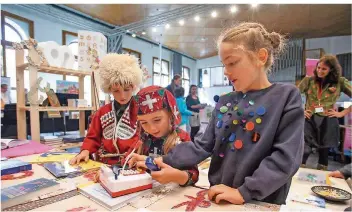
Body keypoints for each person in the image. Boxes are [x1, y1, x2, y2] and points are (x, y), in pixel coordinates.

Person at [146, 22, 304, 205]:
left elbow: (286, 157)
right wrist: (162, 159)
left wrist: (244, 192)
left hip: (260, 201)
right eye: (223, 64)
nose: (226, 72)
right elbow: (202, 146)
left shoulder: (286, 97)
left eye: (232, 62)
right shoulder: (225, 101)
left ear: (261, 57)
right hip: (219, 196)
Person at [69, 53, 143, 165]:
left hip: (132, 162)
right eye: (116, 91)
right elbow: (92, 137)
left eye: (127, 89)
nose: (122, 96)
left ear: (134, 87)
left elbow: (143, 140)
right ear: (109, 89)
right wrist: (85, 150)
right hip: (105, 164)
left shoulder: (141, 111)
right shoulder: (102, 112)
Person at [128, 86, 199, 186]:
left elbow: (194, 175)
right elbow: (127, 161)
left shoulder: (182, 138)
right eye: (144, 123)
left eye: (157, 120)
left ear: (170, 114)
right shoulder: (143, 139)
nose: (152, 128)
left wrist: (178, 176)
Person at [298, 55, 352, 170]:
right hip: (309, 118)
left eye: (324, 69)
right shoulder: (309, 80)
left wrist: (342, 113)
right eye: (318, 67)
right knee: (304, 148)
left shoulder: (340, 82)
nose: (320, 71)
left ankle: (321, 178)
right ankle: (297, 173)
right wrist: (300, 110)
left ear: (331, 70)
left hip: (327, 119)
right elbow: (293, 95)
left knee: (324, 152)